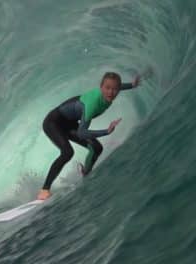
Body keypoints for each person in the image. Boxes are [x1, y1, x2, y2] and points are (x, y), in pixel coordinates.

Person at [37, 72, 141, 200]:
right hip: (53, 123)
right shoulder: (92, 105)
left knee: (97, 148)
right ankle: (44, 190)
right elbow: (81, 133)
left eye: (114, 89)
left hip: (69, 124)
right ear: (101, 87)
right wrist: (106, 131)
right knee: (67, 152)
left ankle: (85, 174)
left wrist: (132, 85)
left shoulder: (110, 92)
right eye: (107, 88)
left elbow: (118, 86)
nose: (111, 92)